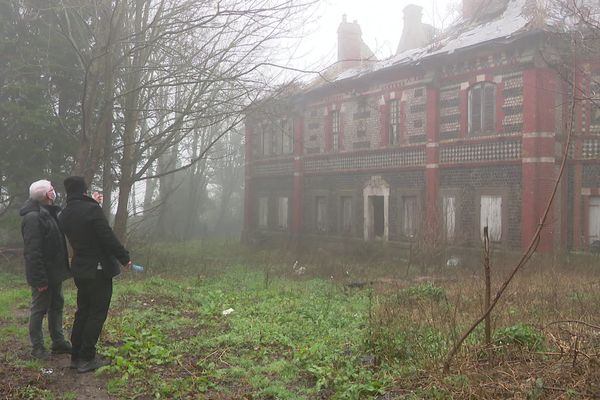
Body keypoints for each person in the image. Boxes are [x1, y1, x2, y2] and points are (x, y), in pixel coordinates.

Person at [58, 176, 131, 373]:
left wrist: (93, 204)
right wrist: (124, 258)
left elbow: (82, 226)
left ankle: (75, 356)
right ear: (84, 191)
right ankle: (87, 358)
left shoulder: (64, 214)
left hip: (80, 269)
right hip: (98, 269)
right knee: (97, 313)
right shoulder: (91, 210)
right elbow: (106, 236)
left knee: (82, 311)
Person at [20, 180, 72, 360]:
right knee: (39, 309)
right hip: (43, 274)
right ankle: (38, 348)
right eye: (52, 190)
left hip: (55, 273)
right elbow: (33, 252)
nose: (54, 191)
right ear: (46, 195)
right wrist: (39, 279)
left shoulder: (50, 212)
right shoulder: (33, 217)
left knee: (57, 306)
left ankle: (58, 342)